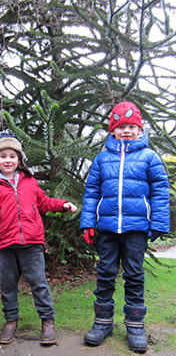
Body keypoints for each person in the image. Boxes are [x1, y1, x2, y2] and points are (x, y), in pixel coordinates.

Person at [80, 101, 170, 352]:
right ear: (113, 131)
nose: (127, 131)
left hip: (136, 228)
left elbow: (160, 192)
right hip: (108, 227)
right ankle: (102, 323)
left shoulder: (149, 157)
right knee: (105, 273)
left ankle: (135, 325)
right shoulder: (101, 159)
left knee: (133, 275)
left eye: (132, 126)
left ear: (140, 129)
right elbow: (91, 192)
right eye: (121, 127)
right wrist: (88, 222)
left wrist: (159, 223)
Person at [0, 130, 77, 346]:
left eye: (12, 156)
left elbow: (44, 202)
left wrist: (62, 204)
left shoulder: (29, 182)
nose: (8, 161)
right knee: (9, 285)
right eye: (3, 157)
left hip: (31, 242)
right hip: (5, 244)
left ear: (19, 159)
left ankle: (48, 322)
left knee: (38, 283)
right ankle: (11, 321)